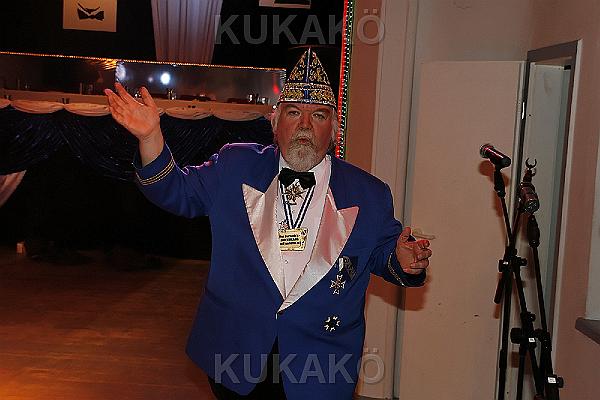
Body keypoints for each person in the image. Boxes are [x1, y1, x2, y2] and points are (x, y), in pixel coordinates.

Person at [104, 48, 432, 400]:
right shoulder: (235, 166)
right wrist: (150, 138)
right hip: (238, 353)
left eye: (318, 115)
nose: (305, 125)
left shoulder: (369, 193)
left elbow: (384, 254)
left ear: (335, 130)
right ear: (275, 123)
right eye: (293, 112)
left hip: (320, 362)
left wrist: (403, 259)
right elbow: (177, 191)